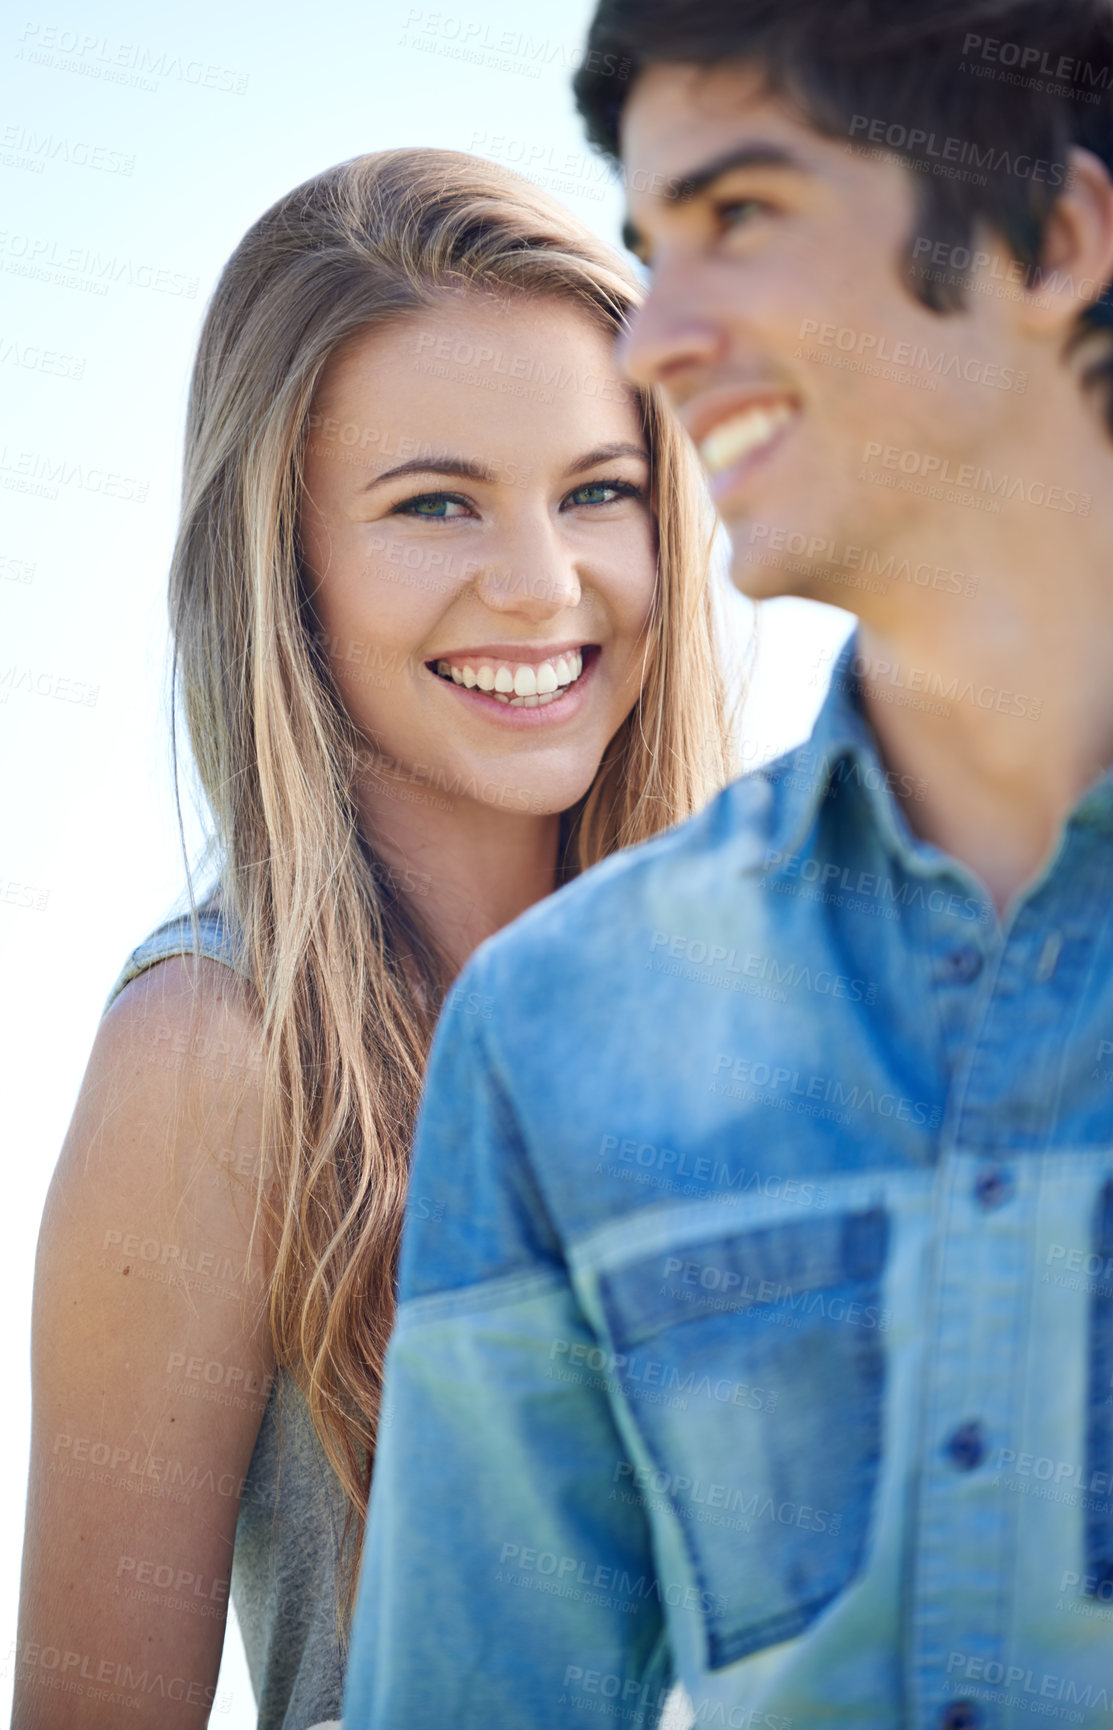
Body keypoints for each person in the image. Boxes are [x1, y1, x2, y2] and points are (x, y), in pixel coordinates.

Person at [342, 2, 1113, 1726]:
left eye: (741, 220)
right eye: (648, 246)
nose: (655, 343)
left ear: (1058, 233)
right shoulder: (558, 1033)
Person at [13, 146, 733, 1730]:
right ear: (287, 566)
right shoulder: (213, 1051)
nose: (542, 587)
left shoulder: (776, 1004)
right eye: (433, 503)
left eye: (596, 491)